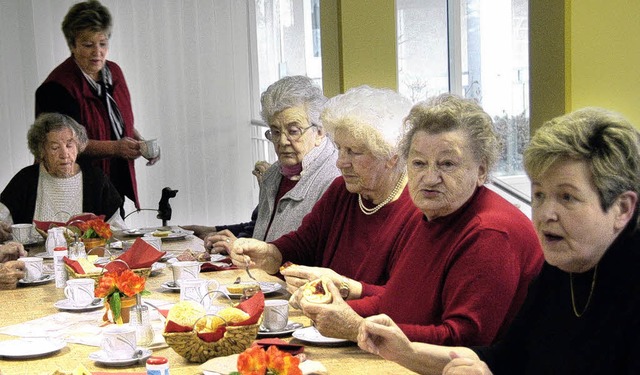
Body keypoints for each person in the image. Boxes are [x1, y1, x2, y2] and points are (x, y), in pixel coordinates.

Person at [356, 107, 640, 374]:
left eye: (567, 197)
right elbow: (509, 356)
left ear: (622, 208)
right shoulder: (560, 266)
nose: (545, 214)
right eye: (539, 195)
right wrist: (406, 353)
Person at [289, 94, 543, 345]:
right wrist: (335, 305)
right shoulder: (435, 214)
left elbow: (464, 340)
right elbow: (397, 302)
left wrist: (358, 328)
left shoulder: (489, 232)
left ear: (482, 170)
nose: (430, 178)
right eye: (419, 163)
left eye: (447, 164)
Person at [230, 86, 417, 300]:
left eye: (353, 152)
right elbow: (303, 243)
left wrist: (345, 287)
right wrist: (270, 253)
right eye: (339, 149)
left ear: (392, 156)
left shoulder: (416, 211)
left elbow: (406, 300)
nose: (340, 162)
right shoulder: (341, 192)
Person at [184, 76, 340, 253]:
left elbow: (321, 255)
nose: (282, 141)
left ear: (320, 131)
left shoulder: (335, 180)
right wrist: (228, 240)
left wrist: (245, 250)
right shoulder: (273, 175)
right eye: (275, 131)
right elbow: (262, 234)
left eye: (293, 131)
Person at [35, 0, 159, 212]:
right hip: (76, 189)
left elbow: (116, 121)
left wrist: (139, 141)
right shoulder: (57, 88)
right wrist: (116, 148)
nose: (97, 52)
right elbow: (63, 144)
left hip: (112, 184)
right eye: (88, 44)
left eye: (102, 43)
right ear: (72, 45)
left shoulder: (114, 73)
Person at [0, 113, 124, 228]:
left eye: (69, 145)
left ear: (78, 146)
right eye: (55, 147)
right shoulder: (26, 179)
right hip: (33, 252)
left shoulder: (96, 179)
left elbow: (117, 228)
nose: (65, 154)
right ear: (41, 151)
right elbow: (2, 218)